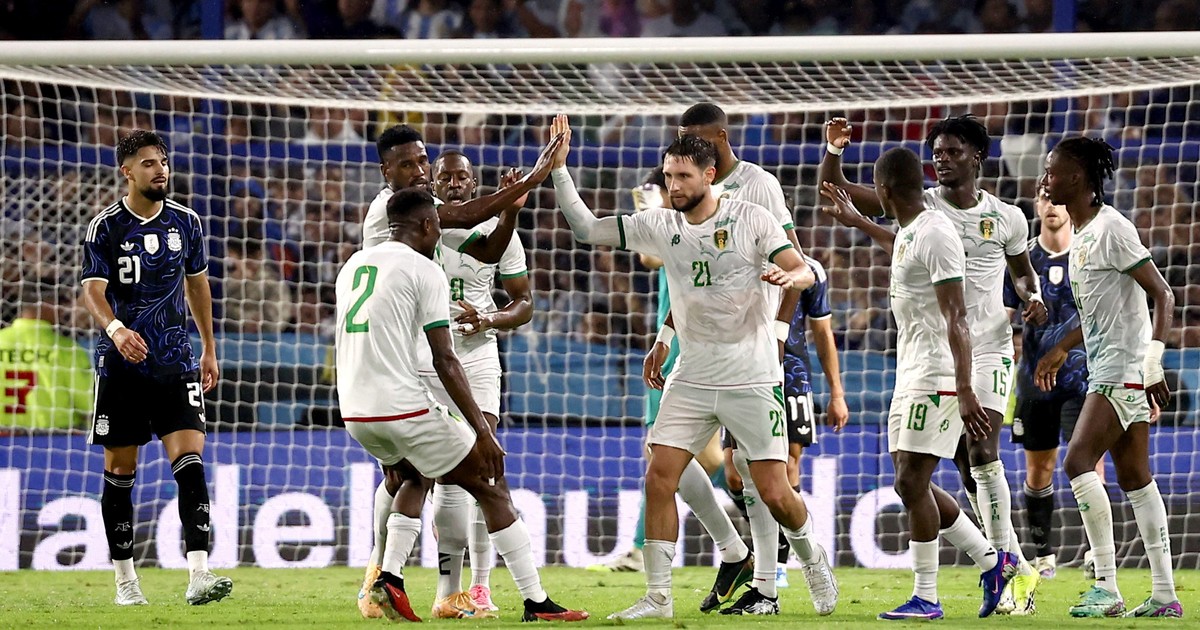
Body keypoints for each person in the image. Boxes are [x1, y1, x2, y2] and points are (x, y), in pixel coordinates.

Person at [549, 115, 837, 620]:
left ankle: (813, 558)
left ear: (709, 175)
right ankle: (659, 597)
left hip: (752, 376)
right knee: (659, 475)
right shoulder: (661, 226)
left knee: (774, 491)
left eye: (683, 176)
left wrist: (789, 278)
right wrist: (559, 169)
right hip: (692, 377)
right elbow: (587, 227)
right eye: (668, 176)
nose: (674, 186)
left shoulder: (751, 217)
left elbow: (804, 269)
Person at [819, 114, 1045, 613]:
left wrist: (1032, 297)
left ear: (977, 157)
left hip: (985, 347)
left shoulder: (1007, 217)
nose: (942, 159)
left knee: (981, 453)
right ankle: (1007, 565)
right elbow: (864, 210)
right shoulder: (923, 205)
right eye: (937, 152)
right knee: (960, 466)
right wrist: (835, 153)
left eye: (952, 151)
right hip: (941, 346)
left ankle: (1006, 567)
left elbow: (1023, 274)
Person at [334, 187, 587, 623]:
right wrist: (482, 432)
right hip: (402, 408)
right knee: (489, 482)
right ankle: (536, 602)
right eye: (437, 225)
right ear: (427, 225)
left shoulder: (354, 265)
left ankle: (387, 577)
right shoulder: (425, 270)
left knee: (414, 477)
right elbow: (445, 359)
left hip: (356, 412)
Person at [79, 129, 231, 606]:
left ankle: (199, 574)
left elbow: (198, 285)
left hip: (176, 361)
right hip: (122, 366)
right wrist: (116, 330)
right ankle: (126, 582)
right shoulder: (105, 227)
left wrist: (208, 348)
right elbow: (92, 291)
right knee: (120, 470)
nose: (160, 169)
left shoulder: (187, 221)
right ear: (127, 172)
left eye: (162, 161)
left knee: (190, 462)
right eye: (148, 163)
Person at [679, 101, 819, 610]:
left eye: (696, 138)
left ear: (720, 136)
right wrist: (667, 334)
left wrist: (779, 336)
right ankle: (750, 566)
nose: (688, 147)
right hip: (710, 350)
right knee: (728, 466)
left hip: (757, 351)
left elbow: (796, 265)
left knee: (763, 470)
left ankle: (778, 576)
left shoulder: (758, 185)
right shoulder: (693, 189)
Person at [1034, 138, 1182, 618]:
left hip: (1122, 369)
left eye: (1052, 171)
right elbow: (1101, 309)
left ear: (1077, 177)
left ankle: (1106, 586)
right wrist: (1062, 346)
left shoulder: (1112, 228)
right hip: (1110, 366)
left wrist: (1153, 362)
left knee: (1078, 461)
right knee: (1136, 478)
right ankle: (1164, 595)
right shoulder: (1083, 234)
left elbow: (1163, 295)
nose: (1045, 180)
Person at [589, 167, 729, 576]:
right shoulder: (688, 227)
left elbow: (649, 256)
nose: (672, 190)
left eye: (672, 185)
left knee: (664, 453)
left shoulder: (684, 229)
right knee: (700, 456)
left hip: (681, 353)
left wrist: (646, 211)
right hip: (688, 347)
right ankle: (750, 507)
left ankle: (645, 548)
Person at [423, 150, 534, 617]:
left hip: (479, 356)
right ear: (432, 184)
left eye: (462, 177)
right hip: (428, 360)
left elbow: (524, 303)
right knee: (443, 478)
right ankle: (433, 585)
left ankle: (481, 586)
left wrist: (488, 318)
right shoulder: (421, 228)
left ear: (473, 183)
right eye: (445, 177)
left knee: (483, 466)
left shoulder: (500, 233)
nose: (454, 184)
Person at [1003, 186, 1101, 580]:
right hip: (1034, 381)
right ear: (1036, 205)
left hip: (1083, 377)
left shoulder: (1089, 253)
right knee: (1039, 468)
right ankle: (1044, 557)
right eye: (1045, 199)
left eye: (1057, 199)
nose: (1052, 206)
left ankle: (1097, 552)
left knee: (1088, 464)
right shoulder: (1022, 258)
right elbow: (1004, 316)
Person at [0, 282, 93, 430]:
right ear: (46, 304)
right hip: (55, 437)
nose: (63, 309)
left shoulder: (2, 341)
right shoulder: (66, 348)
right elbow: (88, 402)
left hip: (4, 437)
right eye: (60, 302)